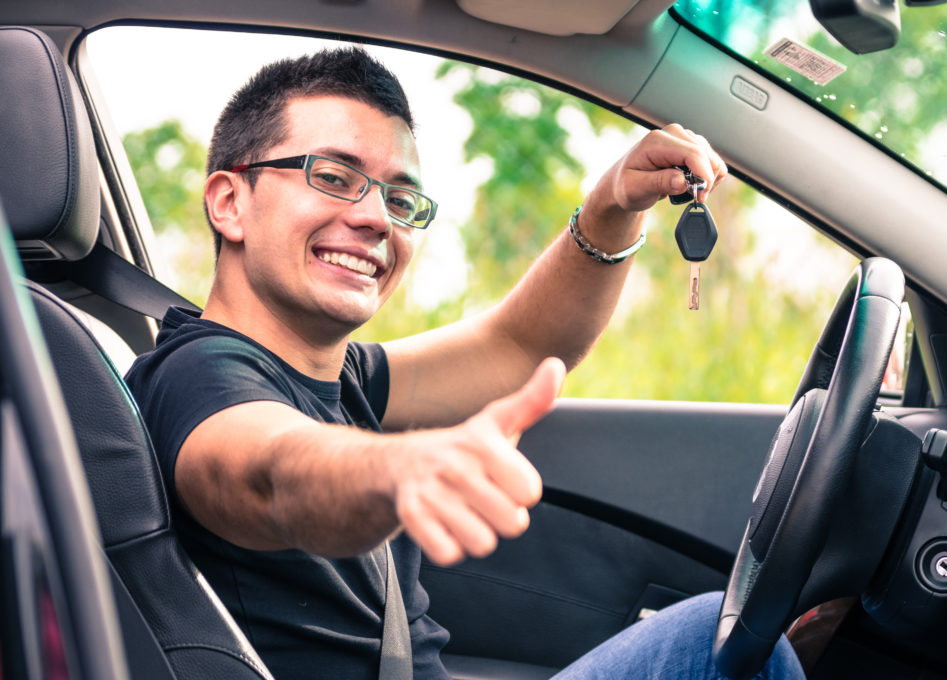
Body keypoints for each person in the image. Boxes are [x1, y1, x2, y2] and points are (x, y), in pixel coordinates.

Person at [125, 47, 804, 680]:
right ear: (230, 202)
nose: (376, 219)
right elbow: (268, 475)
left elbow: (518, 347)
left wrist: (611, 207)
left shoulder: (341, 376)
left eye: (400, 199)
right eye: (332, 177)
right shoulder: (196, 375)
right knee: (726, 647)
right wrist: (400, 468)